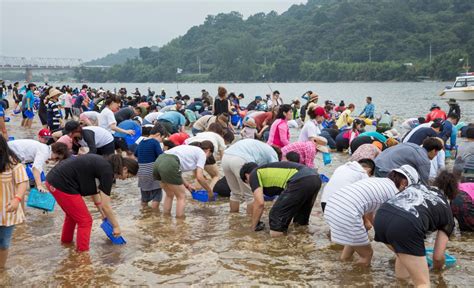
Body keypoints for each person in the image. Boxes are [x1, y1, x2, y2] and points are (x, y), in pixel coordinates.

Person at [373, 171, 458, 287]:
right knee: (423, 283)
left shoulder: (417, 186)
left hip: (381, 217)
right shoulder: (447, 212)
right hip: (406, 225)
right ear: (452, 193)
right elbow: (438, 257)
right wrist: (438, 271)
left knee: (402, 254)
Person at [324, 165, 419, 266]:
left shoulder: (379, 181)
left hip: (332, 206)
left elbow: (369, 210)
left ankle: (343, 263)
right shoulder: (394, 194)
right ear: (404, 183)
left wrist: (368, 224)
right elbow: (386, 230)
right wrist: (402, 251)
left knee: (357, 235)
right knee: (367, 254)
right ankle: (354, 279)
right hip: (346, 212)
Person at [45, 154, 138, 252]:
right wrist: (116, 226)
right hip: (61, 184)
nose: (124, 179)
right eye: (127, 176)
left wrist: (102, 214)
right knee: (85, 221)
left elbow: (95, 193)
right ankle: (82, 256)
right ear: (125, 169)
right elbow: (106, 206)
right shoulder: (107, 172)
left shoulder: (104, 164)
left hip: (53, 179)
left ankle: (66, 244)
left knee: (72, 216)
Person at [241, 161, 322, 237]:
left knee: (275, 216)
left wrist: (252, 228)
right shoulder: (268, 171)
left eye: (247, 182)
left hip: (300, 180)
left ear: (246, 175)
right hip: (315, 178)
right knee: (300, 222)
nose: (251, 185)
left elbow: (259, 203)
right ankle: (301, 243)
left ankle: (278, 248)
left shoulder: (254, 174)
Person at [153, 142, 214, 218]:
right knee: (181, 196)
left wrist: (187, 185)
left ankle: (166, 219)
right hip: (170, 163)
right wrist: (209, 191)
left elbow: (176, 172)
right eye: (209, 155)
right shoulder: (202, 153)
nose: (207, 158)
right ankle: (180, 223)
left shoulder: (189, 150)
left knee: (169, 194)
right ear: (208, 151)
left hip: (158, 161)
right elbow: (199, 177)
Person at [223, 139, 279, 214]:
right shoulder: (273, 153)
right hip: (240, 160)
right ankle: (250, 221)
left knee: (235, 193)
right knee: (251, 196)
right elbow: (274, 170)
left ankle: (233, 217)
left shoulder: (261, 147)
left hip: (226, 157)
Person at [0, 136, 28, 269]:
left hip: (7, 210)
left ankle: (1, 270)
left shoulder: (13, 163)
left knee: (4, 243)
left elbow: (22, 182)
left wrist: (17, 199)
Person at [374, 137, 443, 184]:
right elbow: (423, 183)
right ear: (434, 150)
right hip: (384, 171)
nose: (436, 155)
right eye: (437, 152)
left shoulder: (411, 145)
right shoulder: (424, 159)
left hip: (375, 164)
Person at [135, 124, 165, 210]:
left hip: (142, 173)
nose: (161, 141)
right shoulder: (155, 142)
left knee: (144, 196)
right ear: (158, 134)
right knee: (157, 195)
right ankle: (154, 215)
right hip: (152, 172)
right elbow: (161, 156)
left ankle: (144, 212)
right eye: (161, 138)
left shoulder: (141, 142)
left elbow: (135, 154)